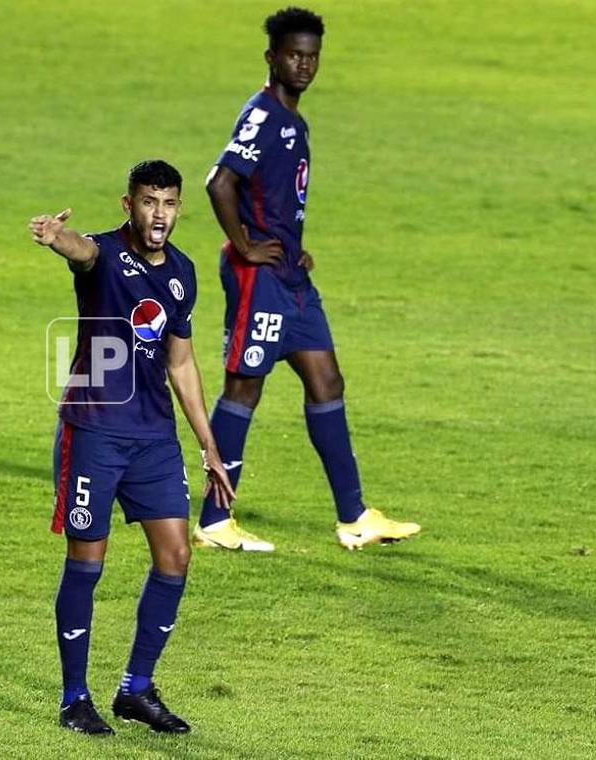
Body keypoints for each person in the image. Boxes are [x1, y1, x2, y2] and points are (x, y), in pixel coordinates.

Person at [195, 7, 420, 551]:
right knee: (244, 387)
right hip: (260, 279)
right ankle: (213, 520)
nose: (304, 65)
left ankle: (355, 517)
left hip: (291, 277)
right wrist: (247, 245)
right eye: (294, 55)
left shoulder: (294, 120)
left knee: (327, 382)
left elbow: (270, 196)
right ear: (272, 57)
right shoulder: (264, 115)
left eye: (312, 56)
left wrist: (293, 249)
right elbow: (219, 182)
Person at [29, 160, 235, 735]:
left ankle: (136, 688)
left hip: (153, 438)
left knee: (176, 557)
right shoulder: (104, 253)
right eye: (148, 202)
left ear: (179, 208)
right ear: (129, 205)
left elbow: (182, 361)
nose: (158, 215)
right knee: (86, 563)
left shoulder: (184, 274)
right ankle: (75, 698)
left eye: (168, 204)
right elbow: (80, 249)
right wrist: (54, 238)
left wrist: (211, 447)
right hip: (93, 431)